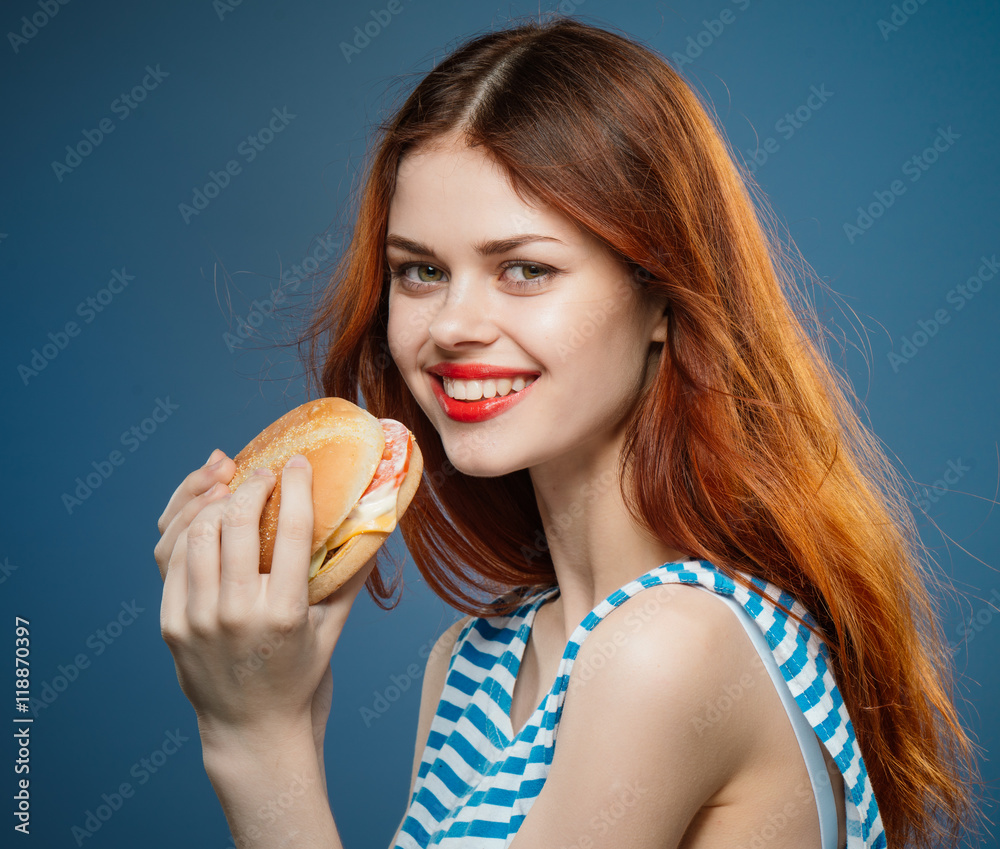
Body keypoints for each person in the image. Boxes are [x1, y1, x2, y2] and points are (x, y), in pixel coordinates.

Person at [153, 16, 980, 849]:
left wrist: (255, 740)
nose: (452, 325)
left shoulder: (671, 648)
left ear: (661, 296)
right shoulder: (475, 662)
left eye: (525, 269)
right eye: (422, 271)